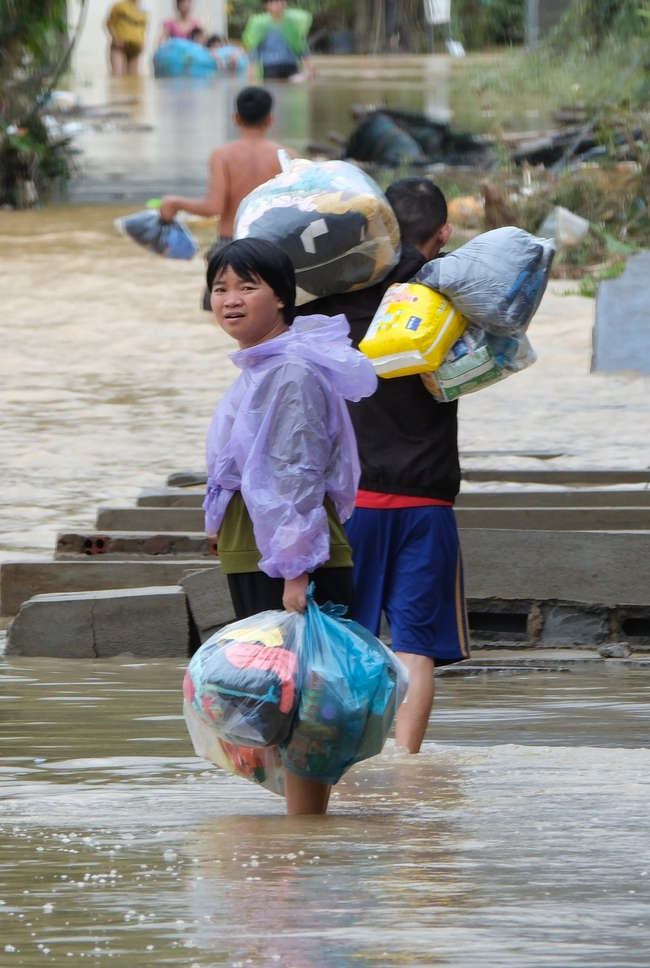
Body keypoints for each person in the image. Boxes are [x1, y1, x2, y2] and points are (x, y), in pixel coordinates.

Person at [202, 237, 378, 815]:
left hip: (287, 556)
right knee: (274, 701)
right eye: (221, 287)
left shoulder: (292, 371)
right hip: (261, 550)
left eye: (247, 286)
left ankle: (306, 843)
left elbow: (294, 472)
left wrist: (297, 570)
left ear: (281, 298)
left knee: (304, 708)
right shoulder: (264, 365)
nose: (230, 299)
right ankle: (301, 843)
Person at [294, 177, 463, 753]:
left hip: (351, 503)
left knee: (346, 640)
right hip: (427, 501)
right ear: (443, 233)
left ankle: (344, 760)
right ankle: (408, 769)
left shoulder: (333, 302)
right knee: (416, 643)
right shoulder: (451, 302)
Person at [158, 86, 285, 243]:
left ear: (236, 118)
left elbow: (213, 208)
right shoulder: (286, 156)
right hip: (271, 244)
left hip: (232, 243)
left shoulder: (222, 155)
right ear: (270, 120)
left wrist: (176, 202)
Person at [240, 0, 314, 82]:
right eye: (275, 2)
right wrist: (251, 70)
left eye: (282, 2)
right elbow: (255, 47)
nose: (279, 5)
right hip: (270, 65)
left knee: (294, 91)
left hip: (290, 64)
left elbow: (299, 45)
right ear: (267, 5)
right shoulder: (260, 24)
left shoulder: (291, 23)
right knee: (274, 90)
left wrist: (310, 65)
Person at [106, 0, 149, 76]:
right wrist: (115, 38)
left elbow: (143, 28)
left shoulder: (144, 8)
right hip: (120, 46)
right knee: (117, 75)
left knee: (133, 78)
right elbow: (109, 23)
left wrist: (143, 42)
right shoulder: (119, 5)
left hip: (135, 46)